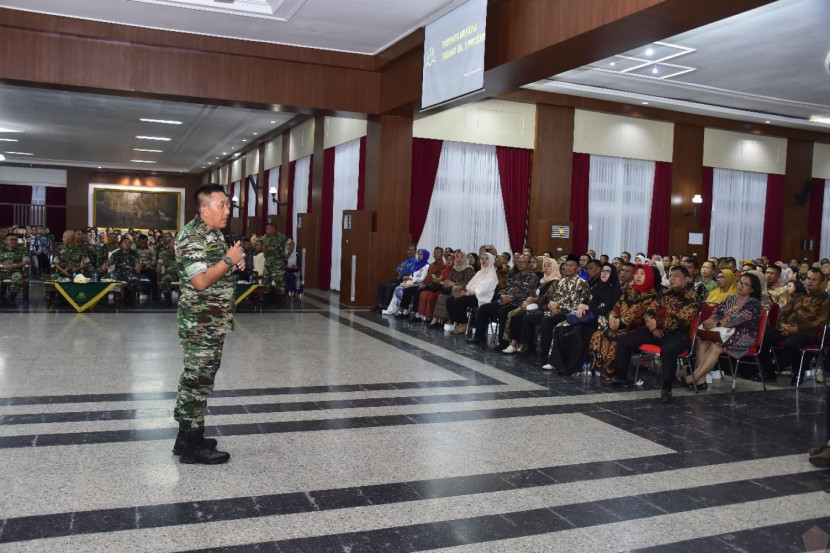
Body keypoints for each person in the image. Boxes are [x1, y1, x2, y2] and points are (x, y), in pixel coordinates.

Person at [172, 183, 245, 465]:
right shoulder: (191, 237)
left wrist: (233, 263)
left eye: (228, 205)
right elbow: (200, 281)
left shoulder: (213, 234)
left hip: (213, 320)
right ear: (204, 209)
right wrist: (229, 259)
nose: (227, 210)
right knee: (196, 381)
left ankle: (185, 437)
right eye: (221, 205)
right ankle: (192, 446)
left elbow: (215, 271)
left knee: (200, 378)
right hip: (200, 322)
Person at [611, 266, 700, 403]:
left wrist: (656, 324)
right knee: (624, 339)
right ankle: (621, 377)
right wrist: (652, 327)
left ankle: (667, 387)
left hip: (677, 334)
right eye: (671, 276)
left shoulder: (692, 298)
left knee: (668, 350)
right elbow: (649, 311)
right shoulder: (664, 293)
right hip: (654, 331)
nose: (672, 278)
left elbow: (680, 320)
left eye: (676, 276)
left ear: (687, 279)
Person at [683, 273, 763, 388]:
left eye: (746, 285)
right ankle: (700, 380)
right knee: (702, 340)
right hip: (724, 332)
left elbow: (740, 318)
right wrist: (709, 322)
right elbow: (717, 313)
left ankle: (693, 378)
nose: (741, 286)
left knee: (716, 346)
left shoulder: (753, 303)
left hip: (745, 336)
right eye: (740, 282)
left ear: (752, 289)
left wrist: (719, 323)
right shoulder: (731, 298)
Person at [756, 268, 830, 385]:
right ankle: (769, 371)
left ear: (821, 283)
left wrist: (796, 329)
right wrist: (783, 325)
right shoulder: (798, 297)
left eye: (814, 280)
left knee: (791, 343)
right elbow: (784, 313)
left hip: (809, 333)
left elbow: (820, 322)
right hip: (788, 330)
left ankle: (780, 367)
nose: (809, 282)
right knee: (764, 337)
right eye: (808, 279)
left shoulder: (825, 300)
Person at [548, 262, 621, 375]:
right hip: (588, 318)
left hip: (600, 322)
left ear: (612, 274)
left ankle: (574, 366)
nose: (604, 274)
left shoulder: (614, 290)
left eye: (607, 271)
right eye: (603, 271)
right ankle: (559, 363)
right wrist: (583, 306)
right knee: (560, 328)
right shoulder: (597, 287)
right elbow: (587, 300)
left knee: (578, 332)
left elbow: (606, 310)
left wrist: (588, 307)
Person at [589, 264, 658, 382]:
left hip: (636, 329)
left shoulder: (653, 296)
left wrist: (619, 322)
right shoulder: (630, 291)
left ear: (649, 277)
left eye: (642, 274)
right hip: (618, 325)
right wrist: (611, 317)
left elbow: (641, 317)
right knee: (598, 334)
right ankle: (600, 368)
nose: (638, 276)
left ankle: (612, 371)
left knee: (616, 338)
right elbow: (617, 307)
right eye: (636, 273)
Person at [468, 254, 537, 346]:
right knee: (484, 308)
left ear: (528, 264)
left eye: (523, 262)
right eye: (519, 262)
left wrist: (510, 298)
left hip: (517, 304)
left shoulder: (533, 278)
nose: (520, 264)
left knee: (502, 311)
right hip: (504, 301)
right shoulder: (516, 276)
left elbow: (528, 294)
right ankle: (479, 337)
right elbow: (505, 289)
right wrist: (502, 296)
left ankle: (503, 343)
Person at [501, 256, 560, 354]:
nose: (545, 268)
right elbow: (534, 293)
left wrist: (532, 301)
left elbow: (547, 297)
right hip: (535, 305)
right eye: (544, 266)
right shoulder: (543, 281)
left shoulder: (555, 281)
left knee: (523, 317)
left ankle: (525, 346)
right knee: (517, 316)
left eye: (549, 266)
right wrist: (529, 300)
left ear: (554, 267)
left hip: (545, 308)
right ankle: (515, 344)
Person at [446, 252, 499, 334]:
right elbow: (469, 285)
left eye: (486, 259)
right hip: (471, 294)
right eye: (482, 258)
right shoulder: (479, 272)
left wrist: (466, 294)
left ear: (491, 261)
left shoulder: (491, 275)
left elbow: (481, 291)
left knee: (460, 300)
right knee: (450, 299)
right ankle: (458, 322)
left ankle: (464, 324)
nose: (484, 260)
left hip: (481, 298)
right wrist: (464, 291)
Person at [373, 244, 417, 312]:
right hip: (398, 279)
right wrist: (401, 270)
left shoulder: (415, 262)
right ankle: (380, 305)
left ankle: (385, 306)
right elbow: (398, 268)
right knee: (381, 285)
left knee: (389, 287)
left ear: (415, 252)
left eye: (412, 250)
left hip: (404, 281)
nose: (410, 252)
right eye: (409, 250)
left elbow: (405, 271)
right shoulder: (406, 260)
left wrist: (401, 270)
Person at [389, 248, 430, 316]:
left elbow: (422, 278)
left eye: (421, 254)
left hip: (418, 284)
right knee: (398, 288)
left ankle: (404, 310)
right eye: (418, 254)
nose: (419, 256)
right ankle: (396, 309)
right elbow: (412, 274)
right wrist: (408, 278)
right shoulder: (417, 264)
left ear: (425, 255)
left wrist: (411, 279)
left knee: (402, 289)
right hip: (412, 283)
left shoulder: (426, 266)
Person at [102, 237, 141, 303]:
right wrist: (104, 265)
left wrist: (137, 266)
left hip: (129, 272)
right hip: (118, 272)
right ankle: (111, 298)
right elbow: (109, 262)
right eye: (125, 242)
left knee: (134, 280)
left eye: (129, 243)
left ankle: (128, 298)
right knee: (110, 277)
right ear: (121, 244)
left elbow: (137, 262)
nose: (127, 244)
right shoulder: (116, 253)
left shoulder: (133, 253)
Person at [261, 223, 289, 305]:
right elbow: (264, 246)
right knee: (266, 281)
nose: (266, 231)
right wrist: (264, 253)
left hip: (278, 263)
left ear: (274, 229)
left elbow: (291, 243)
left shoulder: (282, 237)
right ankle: (267, 300)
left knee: (279, 281)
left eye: (268, 229)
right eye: (266, 229)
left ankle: (280, 301)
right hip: (268, 262)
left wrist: (288, 254)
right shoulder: (265, 237)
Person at [0, 233, 28, 305]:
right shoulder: (1, 249)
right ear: (6, 241)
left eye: (15, 240)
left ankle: (12, 297)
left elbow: (26, 261)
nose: (13, 241)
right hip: (2, 270)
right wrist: (3, 266)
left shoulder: (22, 249)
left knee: (17, 279)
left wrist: (14, 266)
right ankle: (1, 296)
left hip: (15, 271)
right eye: (11, 240)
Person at [157, 232, 178, 306]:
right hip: (170, 275)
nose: (175, 244)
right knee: (164, 281)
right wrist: (158, 277)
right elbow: (159, 265)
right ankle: (168, 300)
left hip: (181, 274)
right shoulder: (164, 253)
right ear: (169, 244)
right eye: (173, 243)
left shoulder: (182, 253)